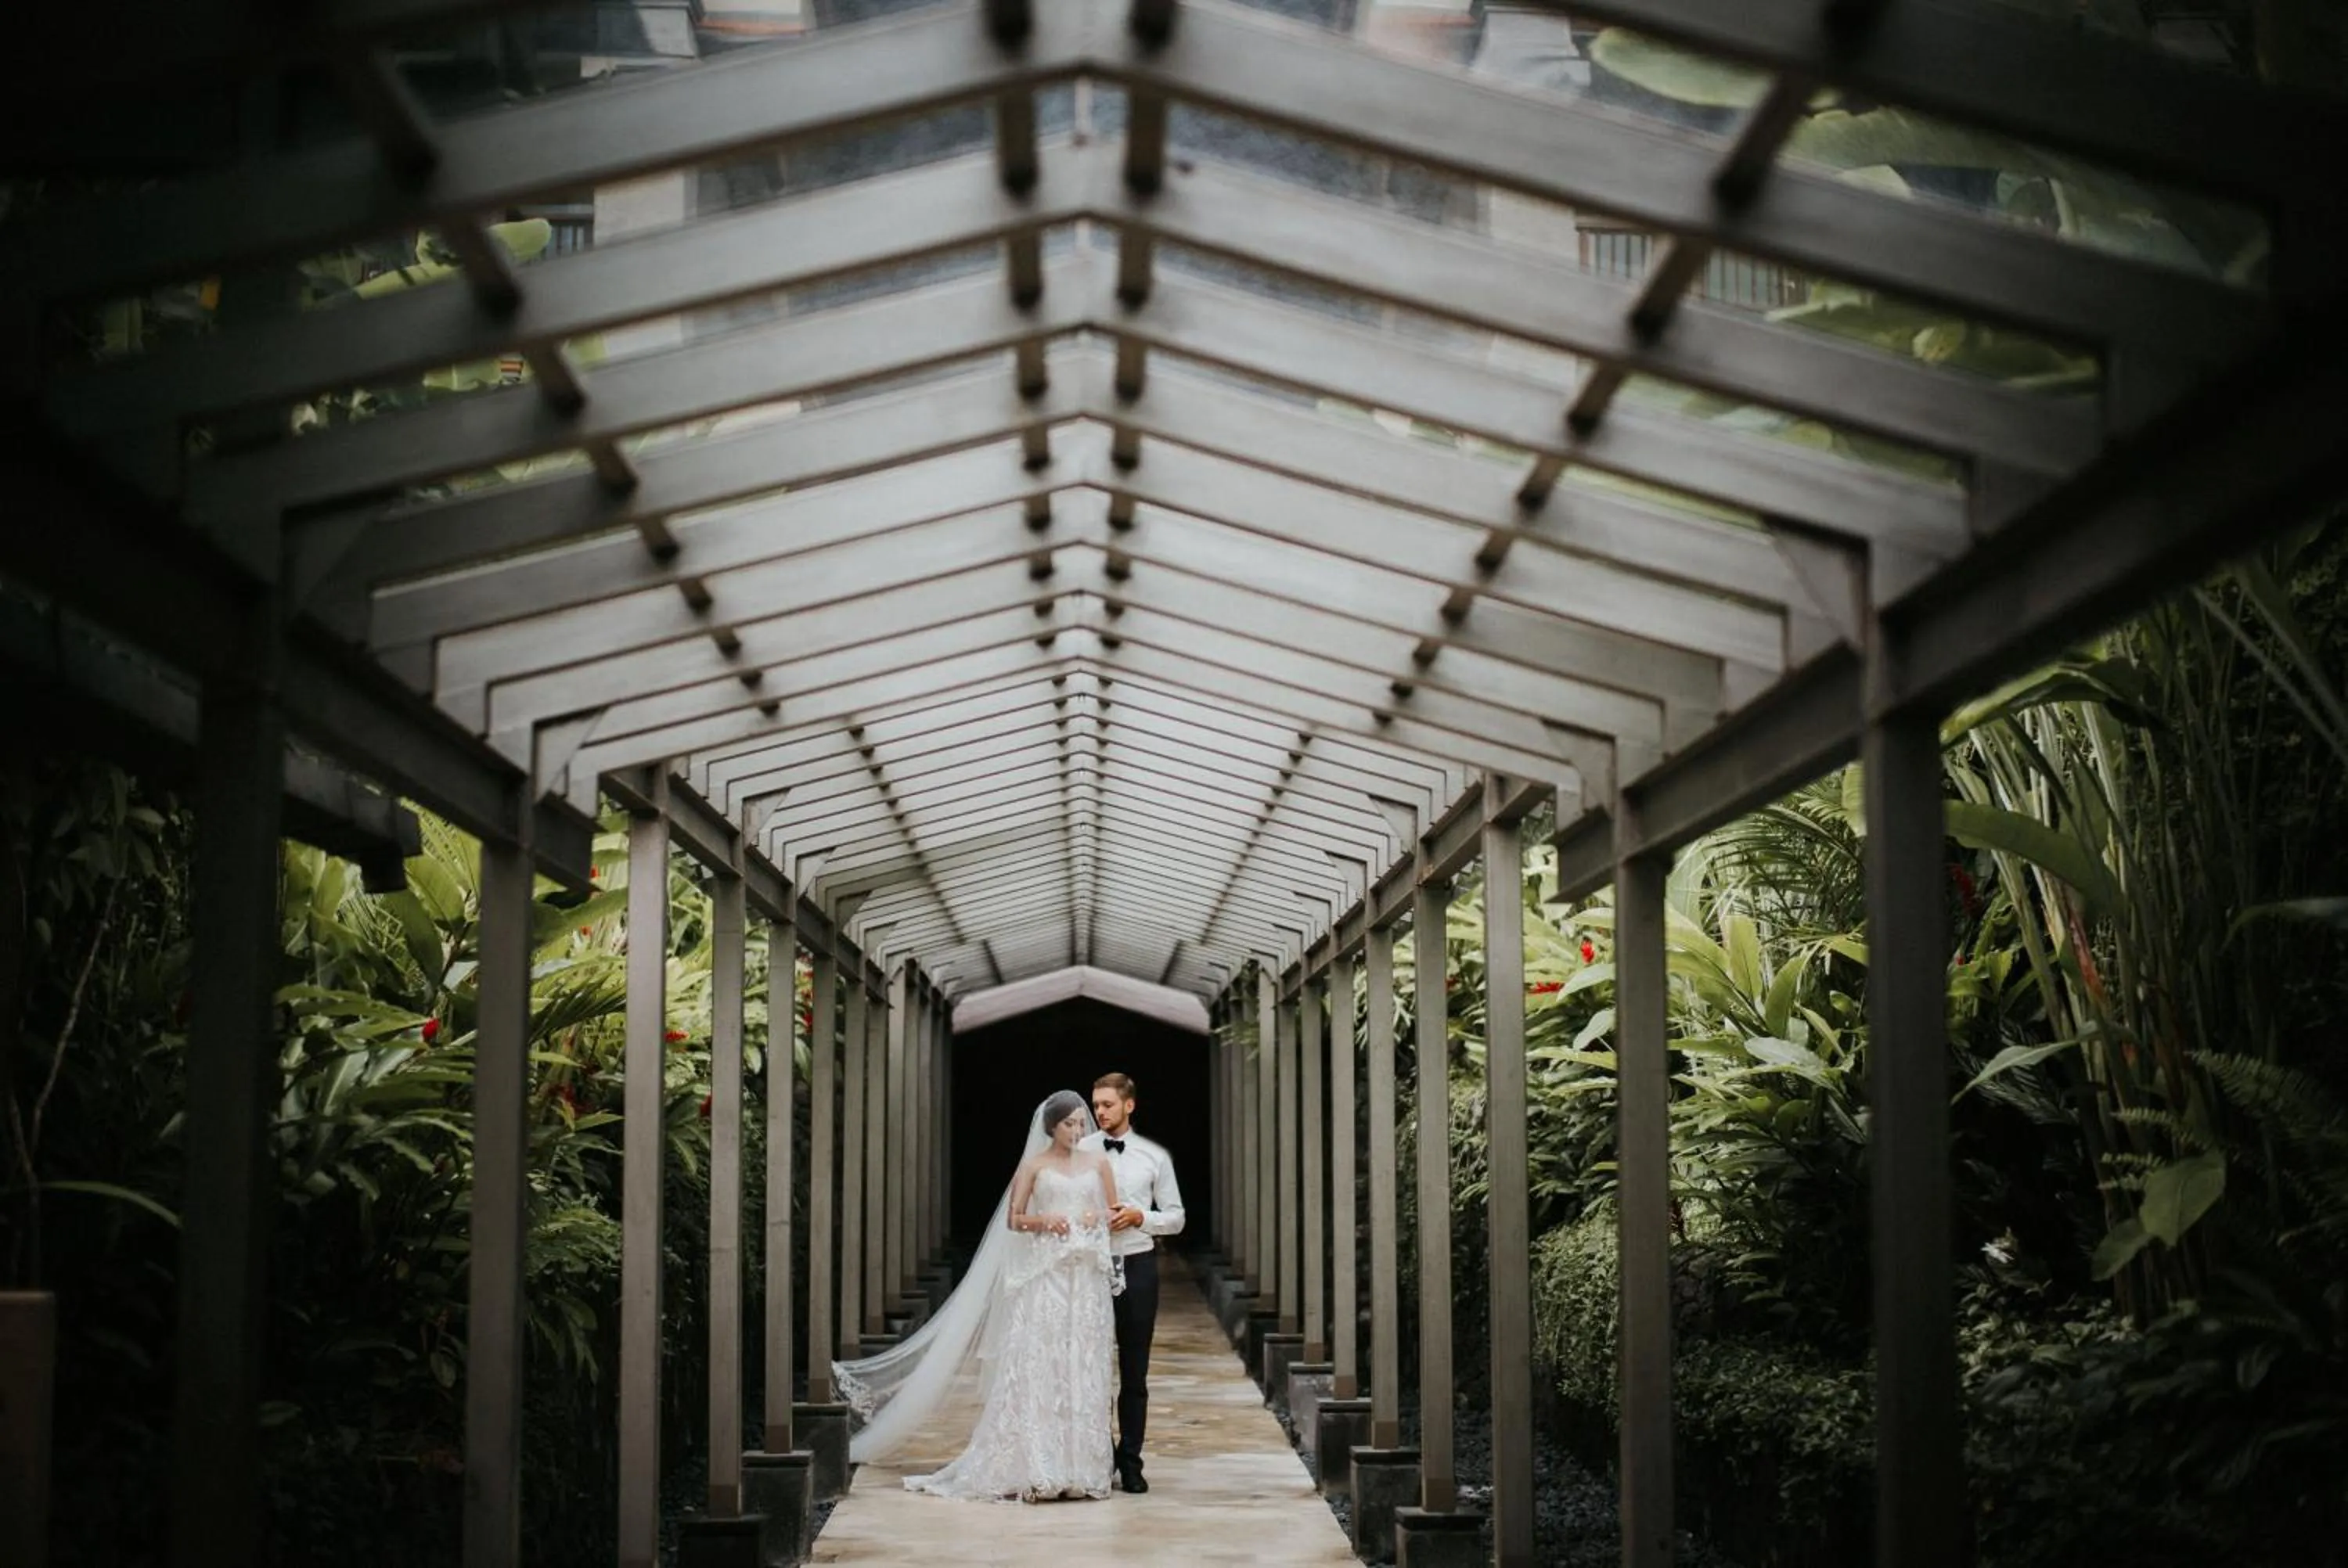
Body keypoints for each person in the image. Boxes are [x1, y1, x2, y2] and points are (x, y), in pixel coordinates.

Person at [834, 1090, 1122, 1502]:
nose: (1077, 1131)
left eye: (1080, 1123)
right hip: (1046, 1276)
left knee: (1084, 1364)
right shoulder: (1034, 1165)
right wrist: (1045, 1221)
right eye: (1068, 1124)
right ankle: (1040, 1466)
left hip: (1087, 1279)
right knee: (1043, 1364)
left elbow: (1116, 1212)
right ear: (1051, 1127)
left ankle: (1082, 1469)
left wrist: (1097, 1217)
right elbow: (1014, 1220)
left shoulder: (1098, 1163)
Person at [1083, 1072, 1186, 1494]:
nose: (1100, 1112)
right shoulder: (1080, 1152)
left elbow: (1177, 1217)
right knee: (1089, 1367)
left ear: (1129, 1105)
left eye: (1107, 1104)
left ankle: (1131, 1462)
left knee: (1134, 1369)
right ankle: (1097, 1455)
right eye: (1096, 1104)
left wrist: (1142, 1217)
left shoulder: (1154, 1156)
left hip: (1139, 1264)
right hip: (1089, 1266)